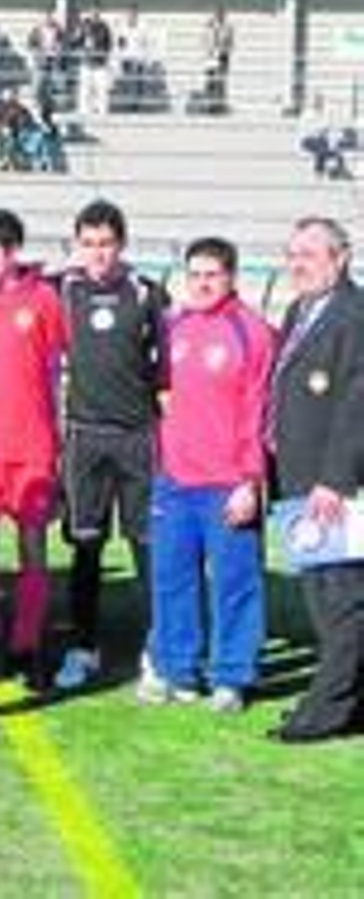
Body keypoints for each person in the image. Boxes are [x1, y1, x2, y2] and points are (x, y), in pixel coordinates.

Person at [145, 237, 273, 713]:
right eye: (195, 274)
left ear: (232, 277)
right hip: (175, 479)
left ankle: (232, 675)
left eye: (212, 274)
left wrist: (249, 480)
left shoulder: (251, 332)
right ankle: (180, 669)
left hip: (227, 482)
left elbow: (258, 413)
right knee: (172, 578)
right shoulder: (173, 326)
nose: (202, 283)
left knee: (235, 580)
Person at [54, 199, 168, 691]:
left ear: (121, 243)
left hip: (138, 434)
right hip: (84, 435)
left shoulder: (147, 293)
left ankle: (159, 649)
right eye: (88, 244)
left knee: (147, 546)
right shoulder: (62, 288)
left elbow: (166, 368)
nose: (97, 253)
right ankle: (83, 647)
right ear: (77, 245)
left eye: (106, 243)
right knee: (85, 545)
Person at [0, 210, 65, 686]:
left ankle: (27, 639)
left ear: (13, 253)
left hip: (31, 447)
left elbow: (68, 361)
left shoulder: (43, 299)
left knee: (33, 546)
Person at [267, 217, 364, 744]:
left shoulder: (355, 314)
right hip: (297, 477)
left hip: (331, 485)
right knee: (322, 593)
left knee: (340, 600)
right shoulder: (300, 309)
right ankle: (348, 701)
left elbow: (357, 404)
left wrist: (334, 478)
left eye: (309, 254)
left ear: (340, 257)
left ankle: (325, 711)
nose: (298, 264)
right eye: (292, 254)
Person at [201, 6, 234, 113]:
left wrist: (225, 47)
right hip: (212, 56)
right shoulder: (210, 25)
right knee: (211, 81)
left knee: (221, 82)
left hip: (223, 56)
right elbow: (206, 40)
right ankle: (211, 105)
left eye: (222, 14)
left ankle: (220, 105)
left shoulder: (228, 26)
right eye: (218, 13)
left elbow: (230, 41)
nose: (220, 15)